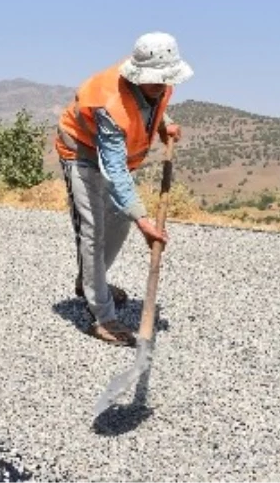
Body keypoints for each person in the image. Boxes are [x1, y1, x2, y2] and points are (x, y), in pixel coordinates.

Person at [55, 32, 193, 346]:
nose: (162, 86)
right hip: (80, 152)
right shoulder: (109, 104)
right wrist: (144, 220)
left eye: (164, 81)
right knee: (93, 230)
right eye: (155, 81)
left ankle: (91, 282)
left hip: (109, 156)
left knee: (119, 221)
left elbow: (151, 105)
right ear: (139, 75)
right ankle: (102, 317)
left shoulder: (158, 81)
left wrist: (163, 125)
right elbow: (114, 169)